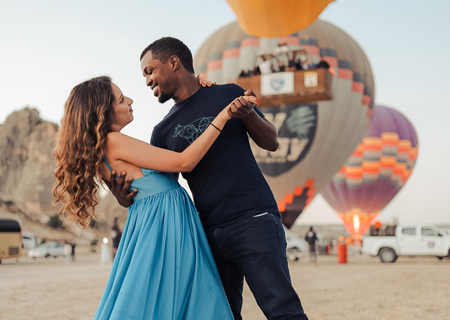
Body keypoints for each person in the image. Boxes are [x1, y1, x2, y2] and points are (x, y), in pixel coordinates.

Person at [111, 37, 307, 320]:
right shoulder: (162, 130)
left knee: (282, 309)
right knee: (219, 315)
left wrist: (248, 114)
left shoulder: (228, 93)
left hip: (254, 220)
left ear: (174, 62)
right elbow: (164, 187)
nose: (146, 81)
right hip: (206, 234)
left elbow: (272, 142)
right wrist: (125, 197)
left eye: (149, 70)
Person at [52, 76, 254, 319]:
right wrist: (223, 116)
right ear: (103, 112)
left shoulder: (100, 150)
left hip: (152, 222)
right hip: (165, 224)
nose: (130, 100)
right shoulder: (113, 141)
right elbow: (184, 162)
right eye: (121, 99)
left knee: (160, 297)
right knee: (185, 296)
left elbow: (129, 193)